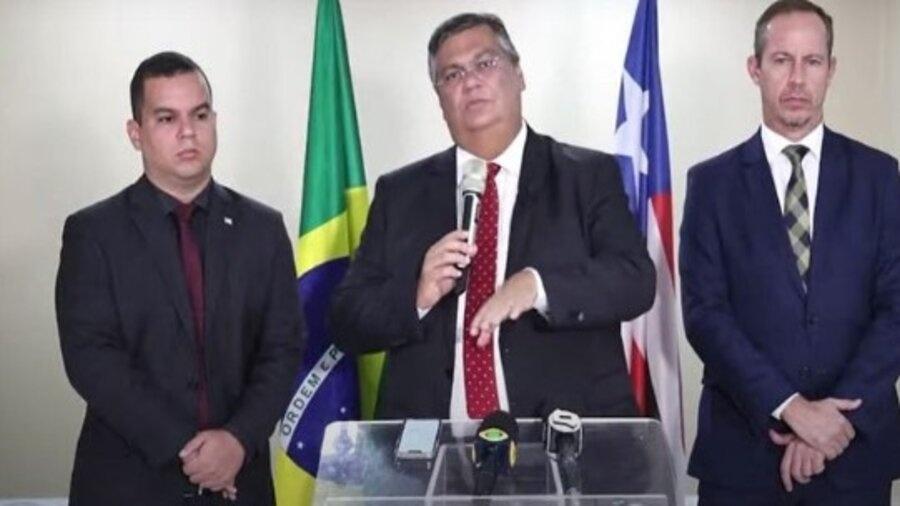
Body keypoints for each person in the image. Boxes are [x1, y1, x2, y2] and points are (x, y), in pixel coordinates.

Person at [330, 13, 655, 421]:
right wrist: (415, 295)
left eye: (485, 64)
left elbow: (635, 281)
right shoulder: (400, 193)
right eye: (452, 75)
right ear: (440, 98)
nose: (470, 82)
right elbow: (346, 320)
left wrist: (537, 286)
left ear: (519, 74)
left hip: (564, 443)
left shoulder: (586, 175)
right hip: (429, 456)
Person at [55, 51, 304, 505]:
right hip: (129, 483)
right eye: (166, 118)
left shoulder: (262, 228)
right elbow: (90, 358)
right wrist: (189, 452)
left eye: (200, 115)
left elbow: (283, 347)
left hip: (240, 480)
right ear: (136, 133)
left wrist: (237, 440)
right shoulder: (93, 232)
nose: (188, 132)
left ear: (215, 120)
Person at [680, 1, 900, 504]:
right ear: (755, 69)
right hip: (743, 454)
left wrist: (830, 423)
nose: (797, 78)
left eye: (812, 61)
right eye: (781, 60)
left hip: (855, 451)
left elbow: (896, 309)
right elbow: (705, 315)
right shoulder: (710, 184)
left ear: (831, 70)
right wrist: (791, 408)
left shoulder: (880, 176)